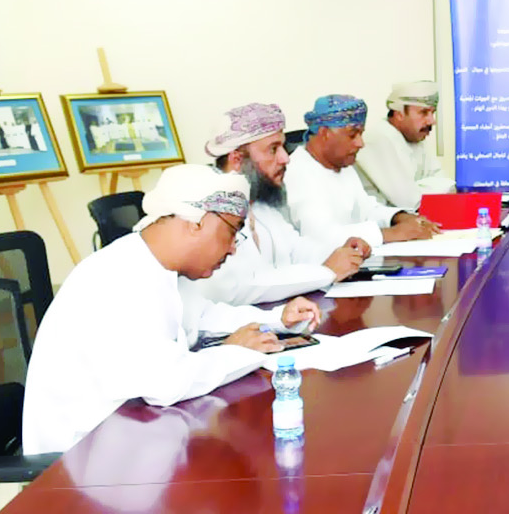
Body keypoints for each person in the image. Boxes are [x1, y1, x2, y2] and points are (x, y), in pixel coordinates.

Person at [22, 165, 324, 454]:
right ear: (196, 222)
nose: (234, 248)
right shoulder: (121, 277)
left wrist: (277, 320)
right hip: (81, 459)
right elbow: (167, 383)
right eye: (233, 232)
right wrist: (240, 352)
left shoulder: (155, 265)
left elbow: (203, 317)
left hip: (129, 434)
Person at [181, 103, 374, 308]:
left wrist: (342, 251)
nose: (285, 158)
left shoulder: (260, 205)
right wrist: (325, 272)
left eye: (283, 147)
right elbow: (234, 288)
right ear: (237, 160)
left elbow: (295, 250)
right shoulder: (208, 211)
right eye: (273, 149)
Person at [285, 94, 439, 244]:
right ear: (325, 133)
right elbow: (320, 236)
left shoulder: (342, 165)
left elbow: (366, 209)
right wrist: (392, 233)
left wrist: (400, 218)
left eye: (361, 134)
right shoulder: (298, 172)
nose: (361, 143)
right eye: (352, 135)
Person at [355, 81, 456, 209]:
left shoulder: (417, 137)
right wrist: (424, 189)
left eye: (433, 113)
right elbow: (409, 201)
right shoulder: (377, 138)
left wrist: (418, 189)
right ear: (399, 114)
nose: (432, 121)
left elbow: (447, 187)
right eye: (423, 113)